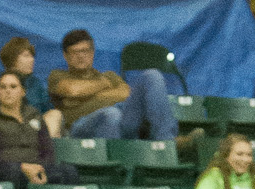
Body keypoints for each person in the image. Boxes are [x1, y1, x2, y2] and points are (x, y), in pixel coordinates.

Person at [45, 28, 180, 144]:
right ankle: (115, 166)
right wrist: (106, 87)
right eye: (75, 52)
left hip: (124, 121)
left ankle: (167, 141)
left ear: (92, 53)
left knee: (152, 75)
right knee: (111, 113)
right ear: (66, 56)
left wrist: (84, 96)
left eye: (85, 51)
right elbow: (73, 90)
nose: (81, 56)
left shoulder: (110, 76)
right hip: (81, 128)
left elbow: (126, 94)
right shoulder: (57, 75)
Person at [0, 71, 79, 189]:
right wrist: (23, 167)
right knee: (12, 172)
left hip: (38, 167)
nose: (8, 91)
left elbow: (47, 151)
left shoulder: (35, 116)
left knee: (68, 171)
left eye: (13, 87)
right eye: (3, 87)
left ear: (23, 91)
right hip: (5, 170)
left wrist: (38, 168)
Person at [0, 37, 48, 114]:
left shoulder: (36, 83)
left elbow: (47, 108)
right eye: (26, 56)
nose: (32, 60)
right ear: (12, 58)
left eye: (32, 56)